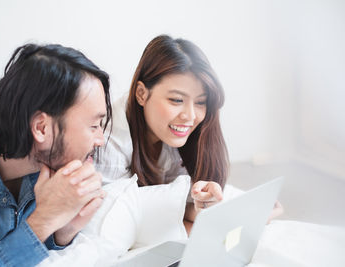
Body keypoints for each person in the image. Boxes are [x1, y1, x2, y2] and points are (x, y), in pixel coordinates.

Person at [0, 43, 112, 266]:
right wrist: (43, 221)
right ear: (41, 128)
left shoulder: (42, 160)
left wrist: (63, 230)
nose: (100, 140)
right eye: (93, 126)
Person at [96, 34, 282, 232]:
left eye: (201, 102)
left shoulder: (175, 131)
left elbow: (181, 203)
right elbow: (115, 220)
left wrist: (215, 208)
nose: (190, 116)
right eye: (176, 100)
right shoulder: (109, 140)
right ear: (142, 94)